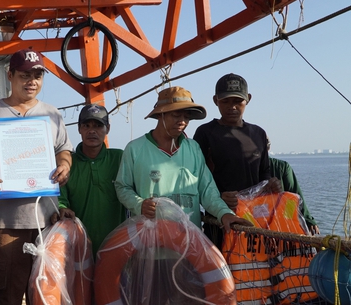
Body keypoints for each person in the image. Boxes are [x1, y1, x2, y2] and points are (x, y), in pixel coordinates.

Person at [114, 86, 251, 303]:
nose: (183, 121)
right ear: (160, 114)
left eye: (186, 116)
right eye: (176, 114)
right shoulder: (135, 149)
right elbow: (122, 187)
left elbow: (208, 191)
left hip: (190, 250)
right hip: (151, 252)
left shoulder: (193, 149)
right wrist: (139, 205)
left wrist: (226, 215)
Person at [0, 49, 73, 305]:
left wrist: (64, 164)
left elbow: (64, 148)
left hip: (45, 221)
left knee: (45, 293)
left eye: (38, 75)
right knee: (1, 292)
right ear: (10, 75)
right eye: (25, 75)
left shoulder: (52, 113)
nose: (32, 81)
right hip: (5, 222)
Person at [193, 73, 281, 246]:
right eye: (225, 101)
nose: (232, 107)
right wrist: (218, 197)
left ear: (248, 99)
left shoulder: (258, 133)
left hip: (254, 221)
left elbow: (264, 172)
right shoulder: (205, 133)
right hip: (218, 220)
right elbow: (194, 179)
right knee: (220, 271)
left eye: (237, 101)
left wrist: (271, 185)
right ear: (215, 100)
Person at [55, 104, 126, 256]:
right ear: (79, 129)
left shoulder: (120, 158)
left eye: (98, 126)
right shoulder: (67, 164)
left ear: (108, 128)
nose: (92, 131)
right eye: (86, 125)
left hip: (117, 248)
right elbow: (60, 199)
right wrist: (62, 207)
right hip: (78, 250)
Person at [267, 137, 320, 234]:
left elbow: (294, 194)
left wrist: (308, 220)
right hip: (279, 225)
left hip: (257, 223)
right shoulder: (281, 166)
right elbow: (295, 194)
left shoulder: (281, 167)